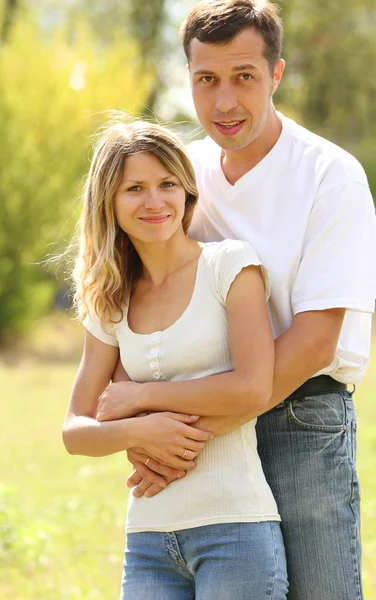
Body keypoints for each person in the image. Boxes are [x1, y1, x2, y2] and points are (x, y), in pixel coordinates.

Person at [98, 2, 376, 599]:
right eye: (207, 80)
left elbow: (315, 339)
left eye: (244, 77)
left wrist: (184, 436)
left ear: (276, 75)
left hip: (301, 418)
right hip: (202, 414)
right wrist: (153, 433)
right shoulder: (183, 177)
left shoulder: (331, 175)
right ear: (188, 79)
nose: (224, 102)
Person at [62, 119, 289, 599]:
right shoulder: (112, 298)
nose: (154, 201)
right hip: (147, 538)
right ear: (109, 202)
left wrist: (142, 397)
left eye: (167, 185)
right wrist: (138, 431)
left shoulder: (230, 265)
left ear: (187, 193)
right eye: (135, 189)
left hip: (236, 529)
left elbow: (252, 387)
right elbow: (75, 430)